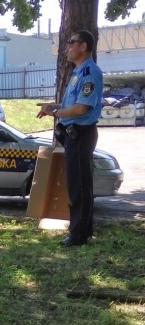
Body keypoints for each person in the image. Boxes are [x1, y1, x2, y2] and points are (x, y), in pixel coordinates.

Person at [37, 30, 103, 246]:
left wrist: (55, 113)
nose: (66, 47)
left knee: (79, 186)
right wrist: (53, 107)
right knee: (76, 183)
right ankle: (82, 229)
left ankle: (78, 235)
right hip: (73, 134)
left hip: (81, 134)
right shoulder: (78, 72)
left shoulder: (89, 73)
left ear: (83, 46)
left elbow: (81, 108)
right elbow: (70, 106)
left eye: (70, 42)